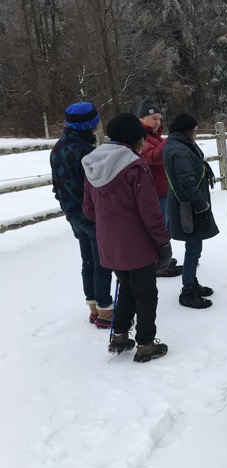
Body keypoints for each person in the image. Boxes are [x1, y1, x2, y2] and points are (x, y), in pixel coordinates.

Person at [82, 113, 170, 363]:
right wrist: (163, 242)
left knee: (127, 289)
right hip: (137, 244)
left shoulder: (92, 164)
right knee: (146, 294)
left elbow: (88, 209)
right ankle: (145, 344)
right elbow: (150, 211)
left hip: (110, 244)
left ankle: (119, 336)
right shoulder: (134, 165)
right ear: (135, 139)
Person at [50, 101, 114, 328]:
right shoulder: (87, 152)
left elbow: (57, 186)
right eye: (95, 123)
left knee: (87, 261)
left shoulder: (57, 148)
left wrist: (67, 208)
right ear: (89, 126)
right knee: (102, 264)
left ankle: (93, 307)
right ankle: (106, 311)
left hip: (73, 216)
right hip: (92, 217)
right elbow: (96, 187)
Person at [164, 113, 219, 309]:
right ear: (185, 130)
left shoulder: (181, 146)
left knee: (194, 246)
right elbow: (187, 183)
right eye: (193, 129)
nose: (195, 132)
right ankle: (188, 290)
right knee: (193, 247)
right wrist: (201, 204)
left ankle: (191, 282)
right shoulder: (180, 151)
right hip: (188, 207)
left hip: (188, 205)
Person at [137, 97, 183, 277]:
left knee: (167, 226)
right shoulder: (141, 138)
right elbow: (152, 158)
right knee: (159, 227)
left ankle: (162, 259)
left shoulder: (156, 137)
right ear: (142, 119)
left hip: (165, 189)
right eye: (153, 118)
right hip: (154, 191)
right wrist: (169, 140)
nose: (158, 122)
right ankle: (158, 266)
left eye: (159, 118)